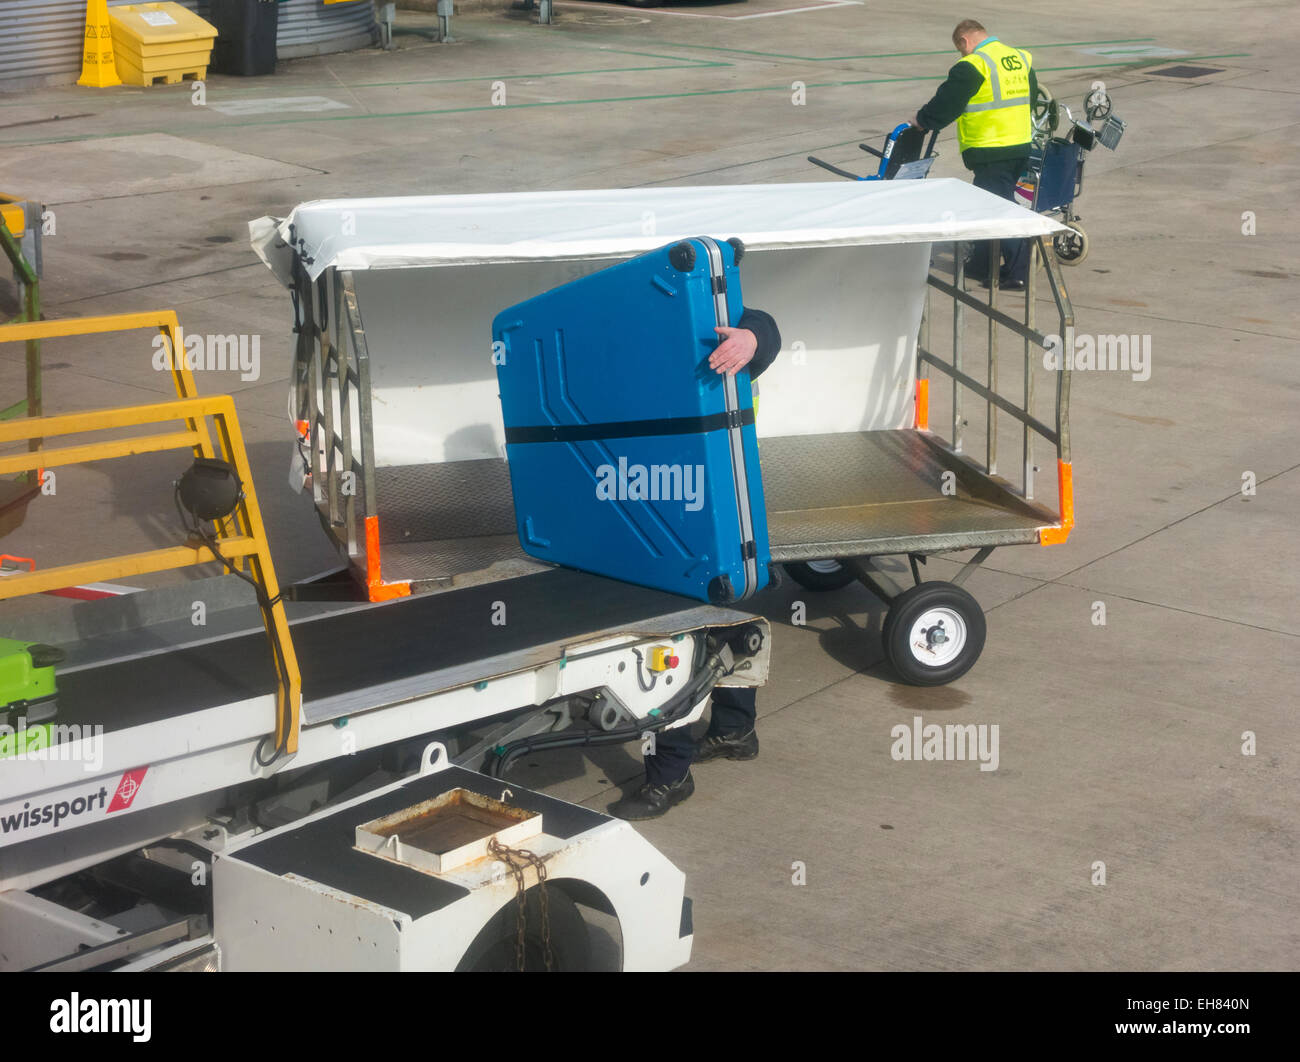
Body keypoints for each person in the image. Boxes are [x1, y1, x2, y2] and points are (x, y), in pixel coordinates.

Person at [609, 307, 781, 821]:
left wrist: (753, 340)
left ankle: (684, 766)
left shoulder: (726, 315)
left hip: (726, 499)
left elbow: (765, 331)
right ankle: (716, 741)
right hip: (669, 496)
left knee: (716, 626)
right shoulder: (640, 323)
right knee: (688, 635)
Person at [910, 19, 1037, 290]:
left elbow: (948, 103)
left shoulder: (973, 65)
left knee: (997, 206)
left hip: (991, 147)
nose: (963, 54)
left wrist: (922, 120)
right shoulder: (1019, 58)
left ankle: (1020, 270)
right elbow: (1032, 98)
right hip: (1020, 144)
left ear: (965, 42)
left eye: (961, 50)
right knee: (989, 202)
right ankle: (982, 265)